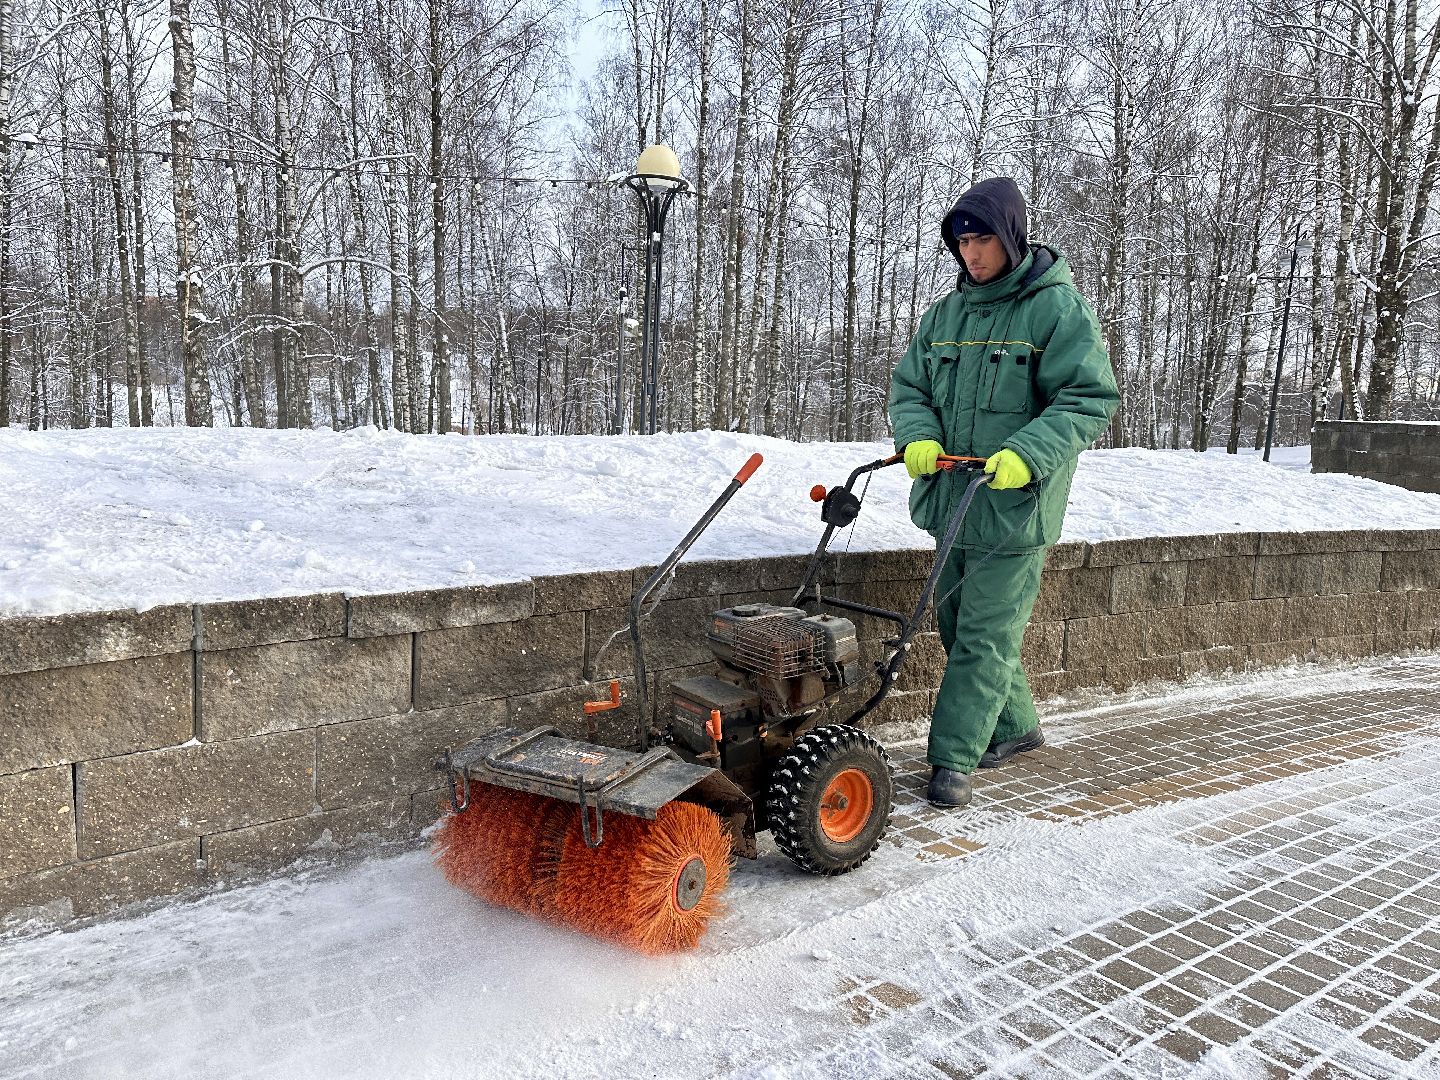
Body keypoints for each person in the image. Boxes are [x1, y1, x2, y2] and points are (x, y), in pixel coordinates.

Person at [888, 176, 1120, 808]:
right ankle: (1016, 727)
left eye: (983, 239)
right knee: (957, 620)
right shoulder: (947, 314)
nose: (972, 255)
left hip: (1015, 508)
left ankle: (953, 757)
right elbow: (910, 389)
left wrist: (1027, 453)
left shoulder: (1056, 310)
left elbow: (1088, 400)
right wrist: (918, 437)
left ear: (1011, 237)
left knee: (985, 635)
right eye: (962, 243)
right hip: (953, 501)